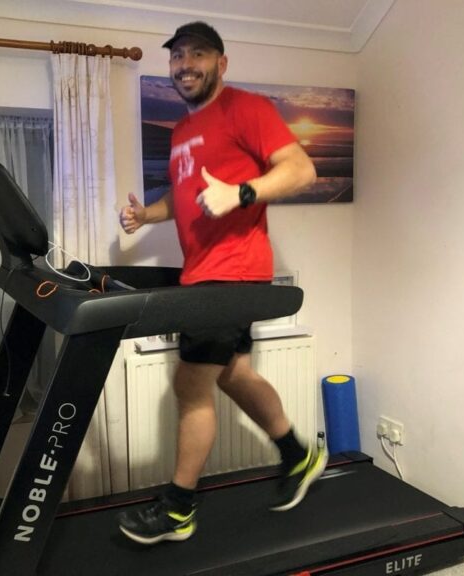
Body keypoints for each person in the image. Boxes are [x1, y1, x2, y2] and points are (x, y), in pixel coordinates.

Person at [117, 21, 325, 545]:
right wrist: (148, 217)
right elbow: (182, 197)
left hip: (230, 272)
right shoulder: (183, 133)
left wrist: (243, 193)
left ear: (221, 63)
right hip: (202, 273)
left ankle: (179, 509)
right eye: (178, 55)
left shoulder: (247, 109)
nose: (186, 63)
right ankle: (299, 456)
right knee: (232, 375)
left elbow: (302, 171)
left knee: (189, 387)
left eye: (199, 54)